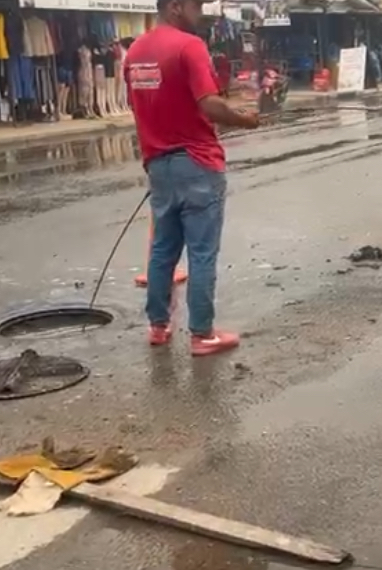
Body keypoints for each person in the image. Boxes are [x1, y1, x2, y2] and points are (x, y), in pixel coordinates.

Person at [124, 0, 260, 355]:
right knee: (202, 252)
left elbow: (138, 106)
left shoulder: (134, 52)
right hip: (198, 162)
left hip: (158, 164)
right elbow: (209, 104)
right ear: (175, 7)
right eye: (195, 6)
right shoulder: (189, 45)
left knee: (162, 249)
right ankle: (202, 334)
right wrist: (245, 119)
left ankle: (158, 326)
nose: (199, 14)